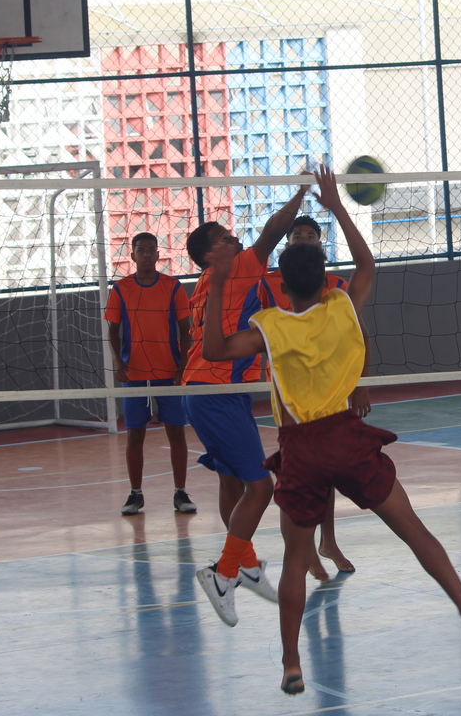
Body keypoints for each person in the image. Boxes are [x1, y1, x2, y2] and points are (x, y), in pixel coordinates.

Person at [201, 166, 461, 696]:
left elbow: (214, 350)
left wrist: (219, 281)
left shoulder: (271, 326)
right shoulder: (341, 305)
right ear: (324, 278)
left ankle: (291, 663)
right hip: (347, 438)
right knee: (414, 530)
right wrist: (336, 204)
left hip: (301, 448)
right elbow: (365, 263)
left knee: (296, 559)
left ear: (281, 285)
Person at [185, 185, 309, 622]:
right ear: (211, 255)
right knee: (261, 486)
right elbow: (273, 233)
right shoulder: (233, 270)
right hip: (215, 390)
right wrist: (301, 193)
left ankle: (248, 564)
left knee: (232, 482)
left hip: (215, 390)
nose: (234, 238)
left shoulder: (205, 284)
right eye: (224, 238)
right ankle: (222, 573)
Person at [250, 214, 367, 580]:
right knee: (299, 472)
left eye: (309, 235)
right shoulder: (269, 283)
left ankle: (327, 541)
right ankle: (305, 551)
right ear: (286, 244)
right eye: (296, 235)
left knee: (326, 470)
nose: (302, 239)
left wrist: (360, 383)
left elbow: (357, 332)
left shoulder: (336, 287)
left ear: (320, 241)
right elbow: (257, 331)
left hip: (329, 384)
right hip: (290, 384)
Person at [104, 232, 195, 516]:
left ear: (158, 254)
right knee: (135, 435)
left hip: (169, 372)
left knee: (176, 433)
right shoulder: (121, 288)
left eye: (151, 250)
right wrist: (118, 363)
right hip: (135, 375)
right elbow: (112, 331)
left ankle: (180, 492)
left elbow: (186, 330)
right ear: (132, 255)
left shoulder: (172, 286)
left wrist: (183, 366)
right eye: (141, 250)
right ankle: (135, 494)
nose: (146, 255)